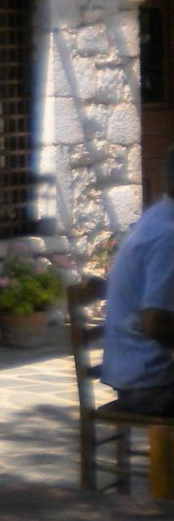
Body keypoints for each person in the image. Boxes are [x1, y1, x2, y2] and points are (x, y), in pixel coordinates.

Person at [102, 144, 174, 414]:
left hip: (133, 375)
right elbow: (154, 323)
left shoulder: (158, 217)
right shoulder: (169, 234)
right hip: (149, 385)